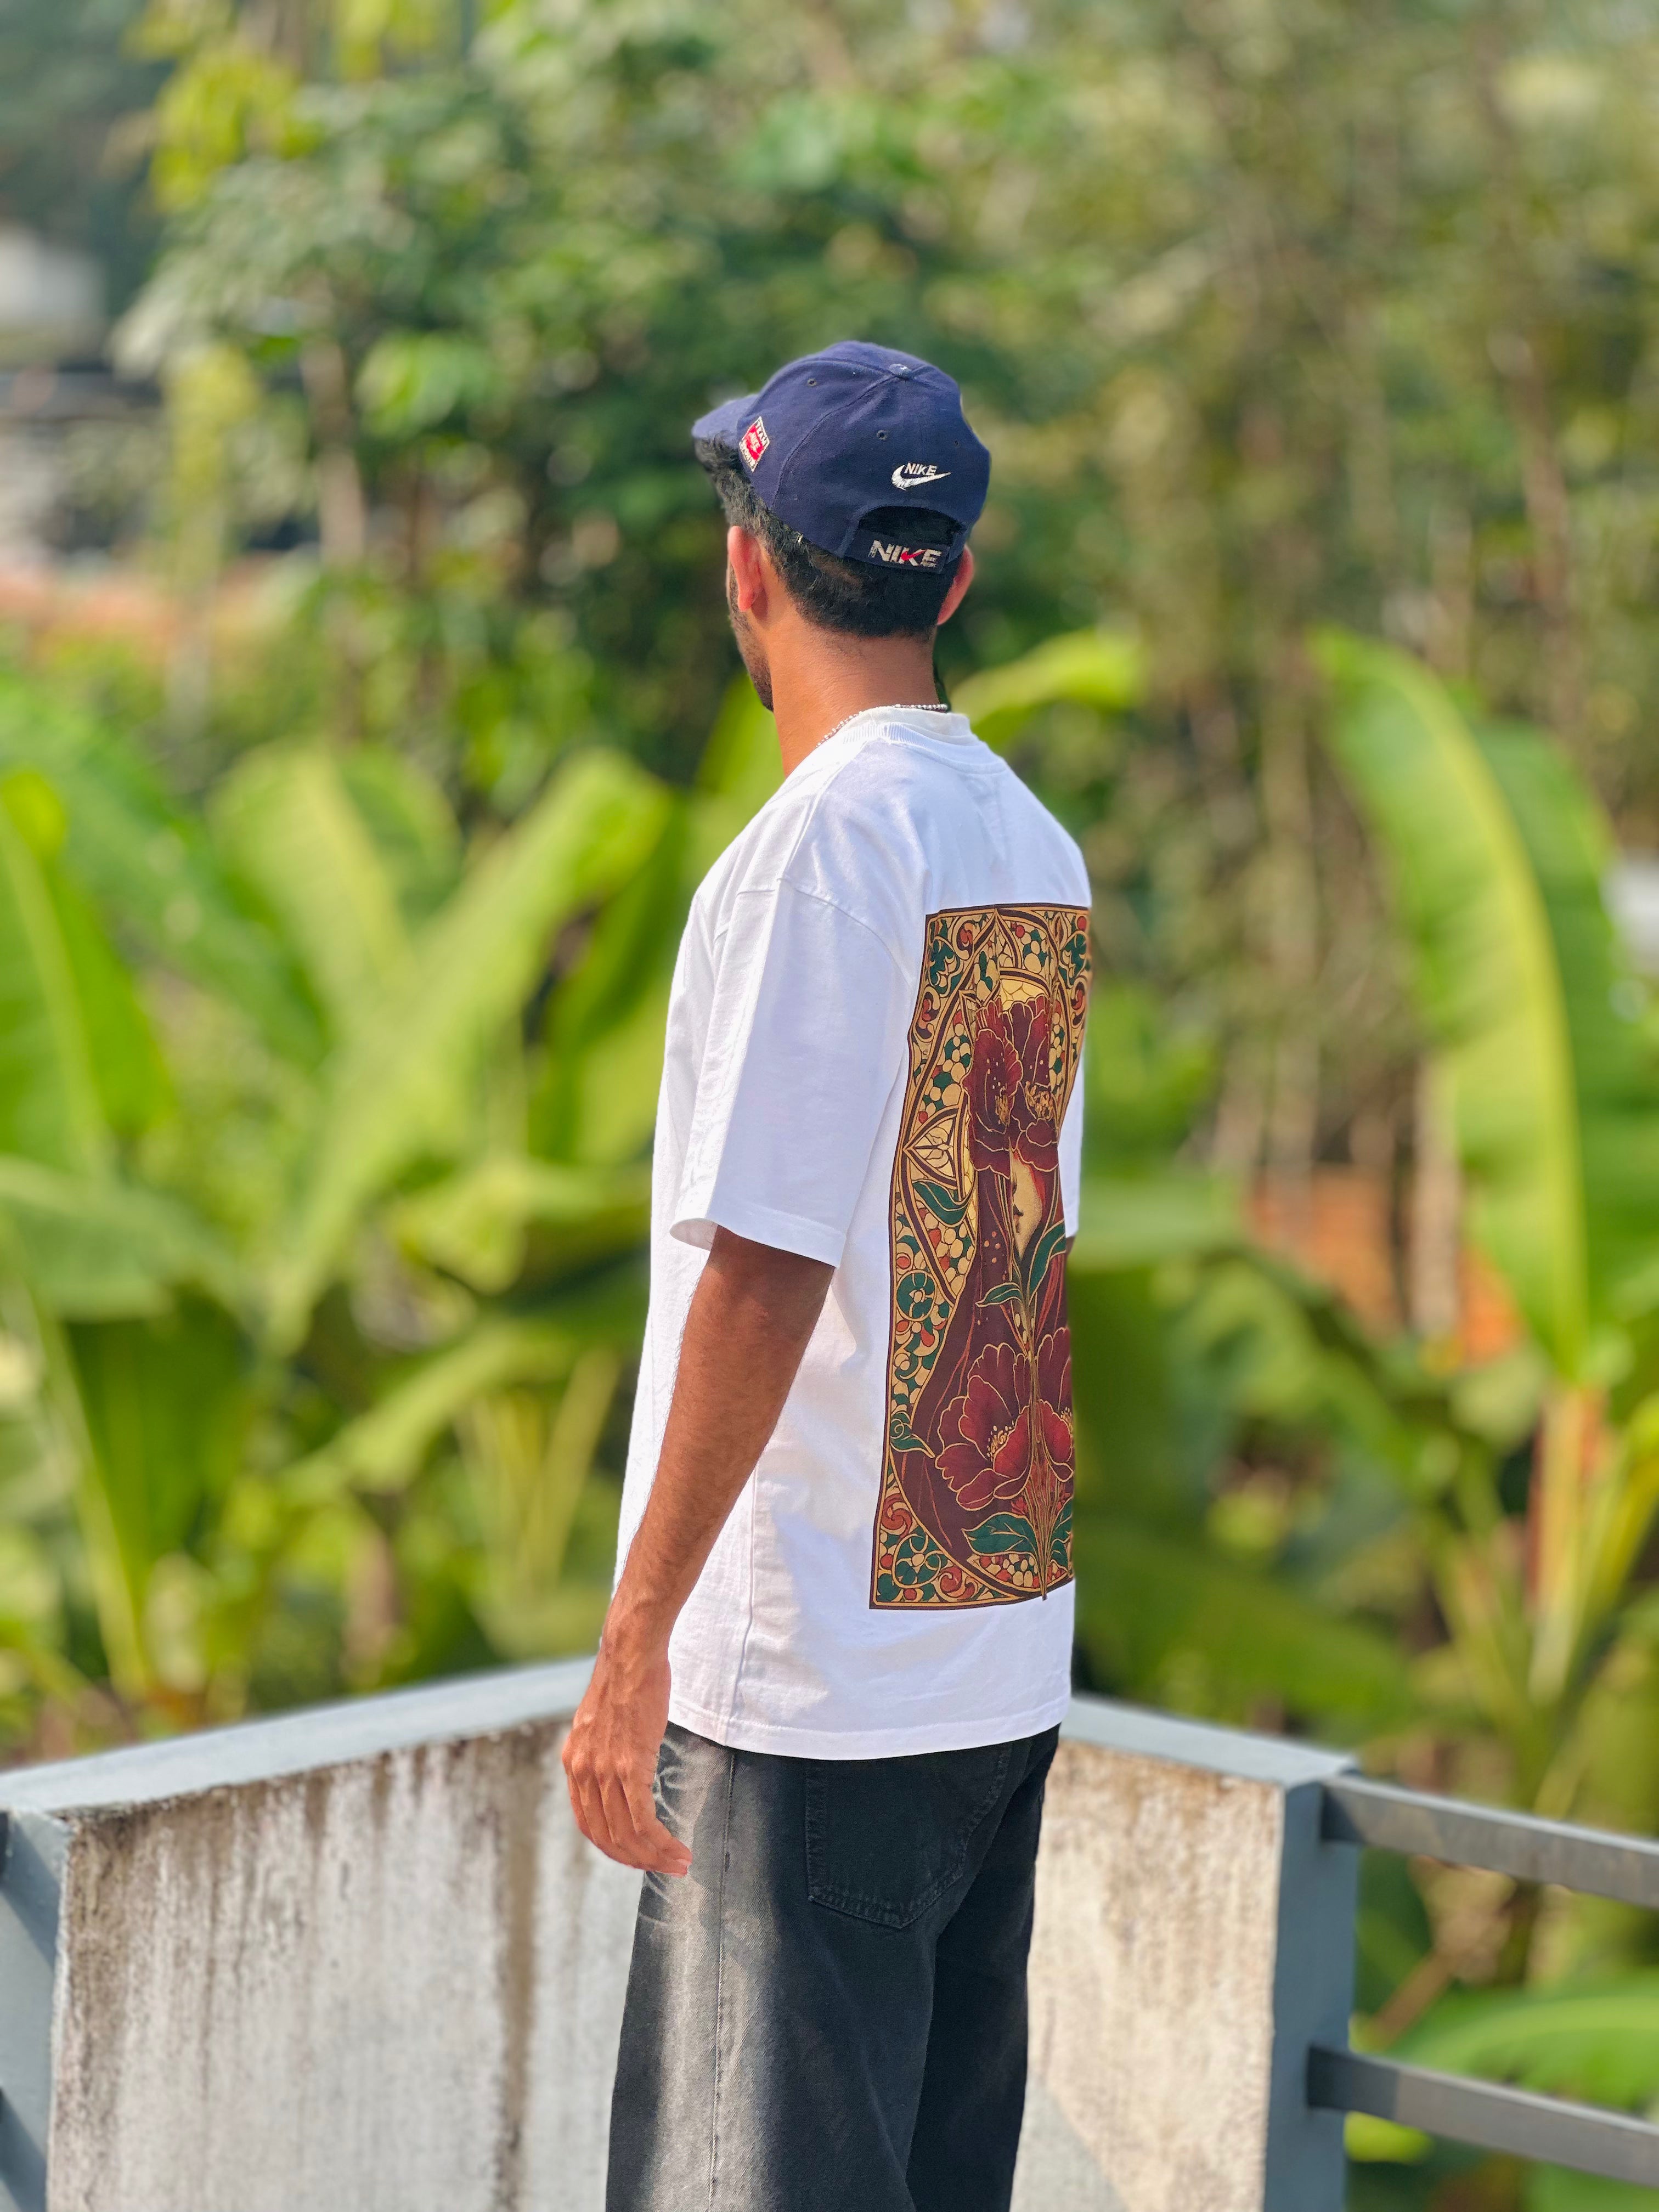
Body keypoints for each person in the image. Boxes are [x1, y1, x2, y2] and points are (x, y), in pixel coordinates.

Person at [562, 340, 1092, 2212]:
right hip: (988, 1653)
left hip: (810, 1697)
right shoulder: (1031, 845)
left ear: (749, 572)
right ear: (952, 578)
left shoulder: (814, 858)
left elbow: (769, 1275)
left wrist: (635, 1655)